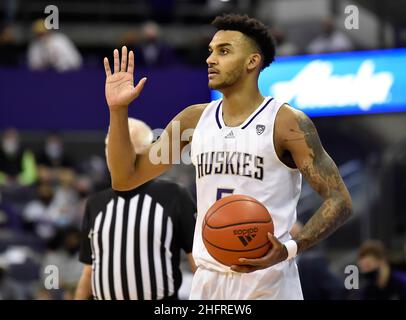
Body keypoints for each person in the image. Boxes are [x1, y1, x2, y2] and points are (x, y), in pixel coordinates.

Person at [103, 13, 353, 299]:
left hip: (268, 281)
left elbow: (340, 200)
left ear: (252, 61)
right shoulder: (193, 121)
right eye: (210, 51)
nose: (210, 59)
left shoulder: (286, 123)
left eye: (223, 51)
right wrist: (118, 111)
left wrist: (290, 248)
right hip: (208, 281)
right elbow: (125, 178)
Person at [75, 118, 197, 300]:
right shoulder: (95, 203)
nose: (111, 152)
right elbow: (89, 271)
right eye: (109, 145)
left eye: (119, 145)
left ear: (143, 152)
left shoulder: (174, 195)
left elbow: (198, 262)